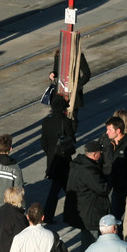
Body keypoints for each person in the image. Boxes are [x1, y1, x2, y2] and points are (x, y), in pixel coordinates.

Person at [66, 142, 111, 248]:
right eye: (100, 153)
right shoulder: (88, 171)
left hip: (84, 211)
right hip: (90, 214)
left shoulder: (79, 164)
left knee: (88, 244)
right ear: (95, 154)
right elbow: (103, 188)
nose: (102, 155)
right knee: (90, 246)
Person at [40, 95, 77, 223]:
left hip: (52, 161)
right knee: (69, 189)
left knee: (56, 189)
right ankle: (74, 214)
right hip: (64, 161)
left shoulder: (46, 122)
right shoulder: (66, 122)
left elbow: (43, 144)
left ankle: (48, 215)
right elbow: (72, 141)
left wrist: (51, 152)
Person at [49, 48, 92, 128]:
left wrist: (76, 87)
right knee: (57, 118)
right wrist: (52, 74)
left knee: (72, 119)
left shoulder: (78, 56)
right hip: (60, 92)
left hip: (73, 94)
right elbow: (56, 70)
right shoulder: (59, 54)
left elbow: (87, 74)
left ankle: (70, 137)